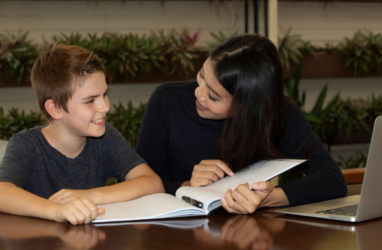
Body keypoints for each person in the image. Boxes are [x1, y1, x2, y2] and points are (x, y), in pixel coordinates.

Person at [136, 34, 347, 214]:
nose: (198, 94)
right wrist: (188, 185)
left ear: (247, 107)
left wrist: (269, 198)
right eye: (201, 76)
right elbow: (137, 185)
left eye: (214, 96)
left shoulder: (277, 113)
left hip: (248, 234)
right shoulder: (168, 101)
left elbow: (331, 178)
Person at [0, 44, 164, 225]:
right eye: (90, 100)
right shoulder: (26, 145)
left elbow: (153, 183)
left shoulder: (106, 138)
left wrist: (89, 196)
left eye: (105, 94)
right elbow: (3, 192)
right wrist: (57, 210)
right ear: (55, 109)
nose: (105, 106)